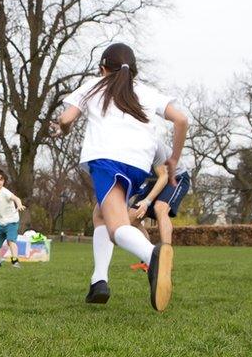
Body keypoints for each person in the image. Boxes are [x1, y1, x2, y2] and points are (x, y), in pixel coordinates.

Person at [52, 43, 188, 312]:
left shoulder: (94, 86)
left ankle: (153, 256)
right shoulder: (146, 92)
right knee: (100, 213)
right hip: (139, 165)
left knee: (116, 228)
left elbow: (66, 119)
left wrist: (63, 129)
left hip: (107, 161)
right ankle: (98, 281)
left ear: (103, 69)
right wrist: (174, 157)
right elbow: (182, 120)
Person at [129, 134, 191, 246]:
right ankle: (148, 256)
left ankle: (165, 257)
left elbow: (164, 177)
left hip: (175, 177)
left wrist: (147, 202)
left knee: (160, 208)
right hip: (154, 180)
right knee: (131, 218)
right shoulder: (126, 150)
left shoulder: (154, 144)